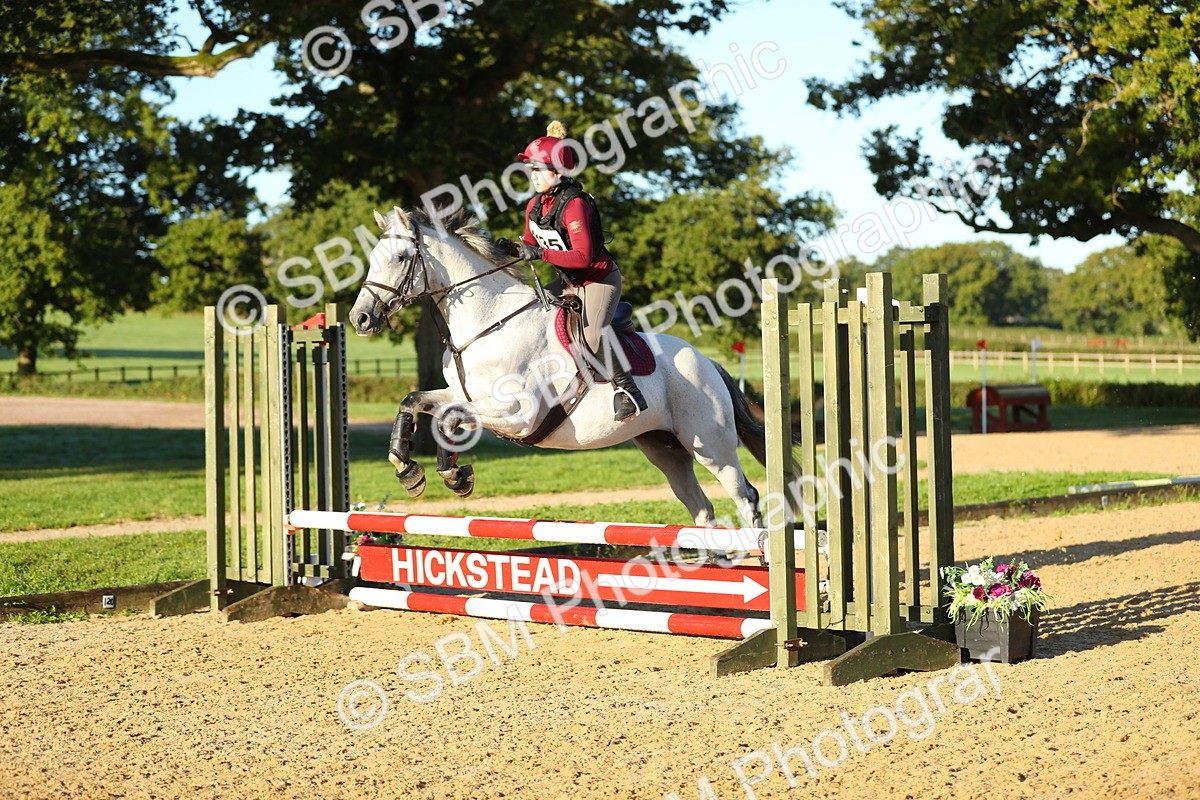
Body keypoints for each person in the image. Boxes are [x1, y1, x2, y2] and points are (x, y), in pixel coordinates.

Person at [505, 121, 648, 422]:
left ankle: (629, 392)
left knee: (593, 334)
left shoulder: (575, 205)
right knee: (529, 311)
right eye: (531, 170)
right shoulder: (535, 205)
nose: (533, 176)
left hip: (598, 280)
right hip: (567, 281)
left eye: (539, 170)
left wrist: (540, 253)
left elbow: (582, 257)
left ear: (558, 172)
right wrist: (510, 250)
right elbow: (530, 243)